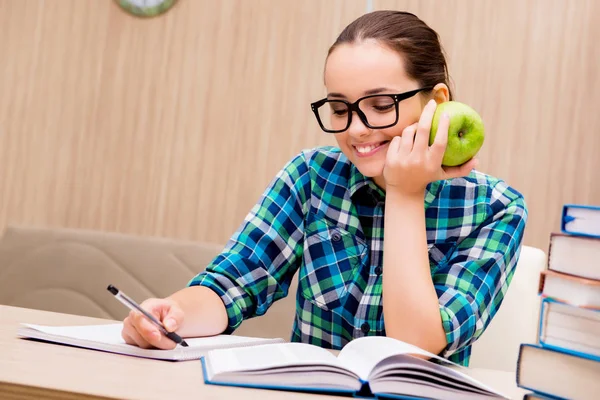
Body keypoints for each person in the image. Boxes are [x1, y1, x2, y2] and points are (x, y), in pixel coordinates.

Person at [121, 10, 527, 366]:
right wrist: (169, 316)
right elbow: (232, 285)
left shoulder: (497, 209)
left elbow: (412, 347)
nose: (356, 128)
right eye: (339, 108)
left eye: (381, 105)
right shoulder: (312, 176)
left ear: (437, 100)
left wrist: (405, 193)